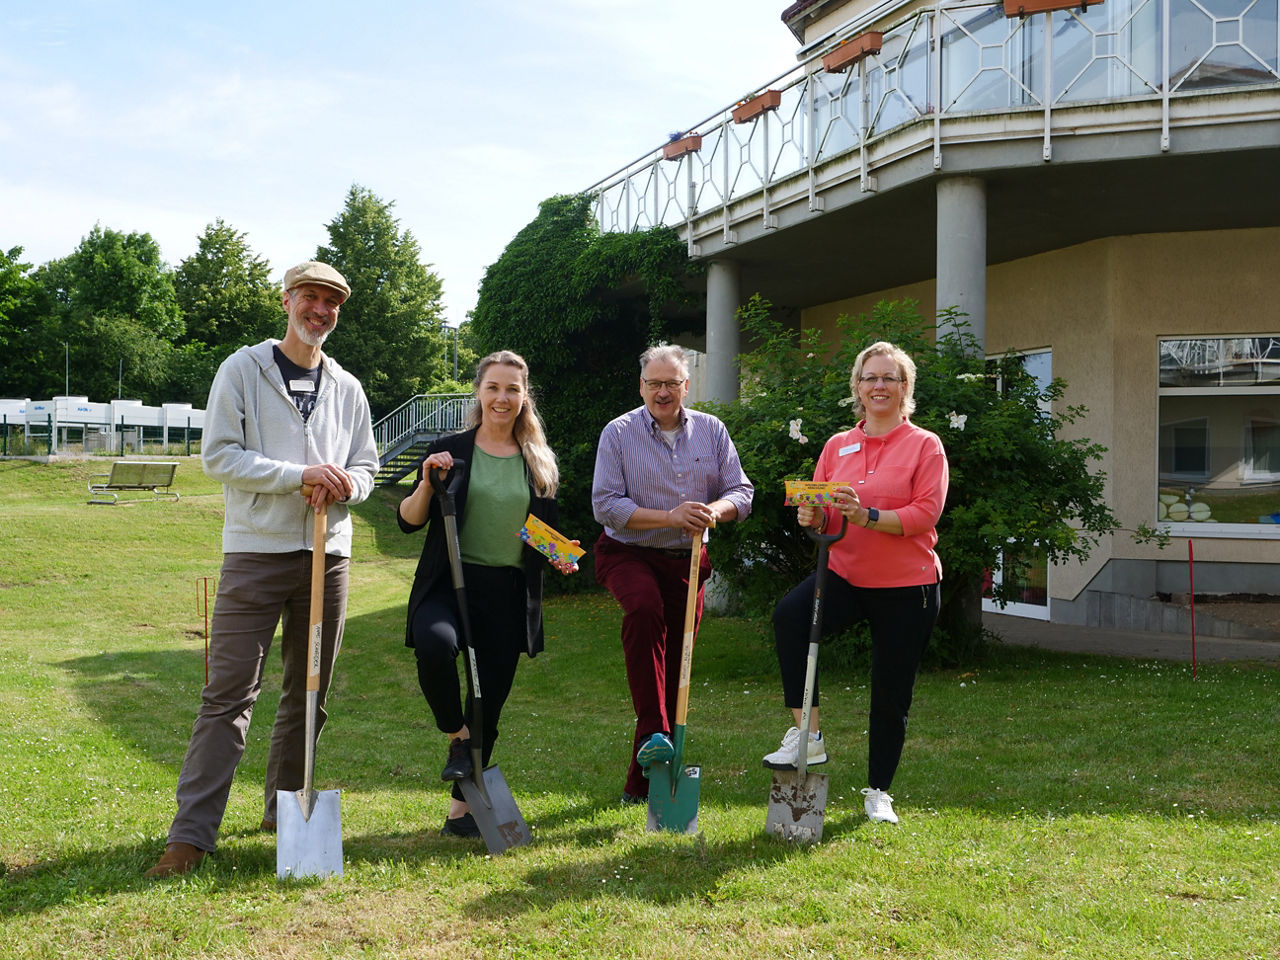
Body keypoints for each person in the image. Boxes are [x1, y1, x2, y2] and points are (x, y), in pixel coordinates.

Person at [146, 261, 378, 878]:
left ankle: (287, 810)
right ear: (287, 301)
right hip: (255, 551)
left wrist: (343, 484)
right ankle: (191, 837)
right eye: (310, 297)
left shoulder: (348, 387)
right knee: (227, 695)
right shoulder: (242, 370)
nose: (320, 310)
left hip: (328, 557)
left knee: (311, 691)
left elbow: (366, 468)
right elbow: (219, 456)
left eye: (331, 302)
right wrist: (297, 476)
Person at [763, 340, 948, 825]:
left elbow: (925, 513)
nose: (880, 385)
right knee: (789, 617)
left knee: (890, 690)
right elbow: (825, 515)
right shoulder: (836, 445)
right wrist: (813, 516)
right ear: (858, 388)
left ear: (905, 388)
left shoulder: (925, 445)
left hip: (907, 585)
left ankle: (878, 792)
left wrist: (865, 514)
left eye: (890, 377)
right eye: (871, 377)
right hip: (845, 575)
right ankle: (809, 736)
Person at [397, 350, 577, 839]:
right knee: (434, 645)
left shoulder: (537, 460)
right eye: (493, 387)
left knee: (489, 703)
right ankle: (457, 737)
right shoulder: (449, 449)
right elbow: (409, 521)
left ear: (524, 397)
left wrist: (562, 556)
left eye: (512, 389)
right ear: (479, 392)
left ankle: (461, 813)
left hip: (507, 591)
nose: (502, 398)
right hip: (448, 582)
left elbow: (542, 535)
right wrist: (428, 485)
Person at [592, 344, 754, 804]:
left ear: (687, 386)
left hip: (687, 560)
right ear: (640, 386)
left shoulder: (712, 431)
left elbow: (741, 491)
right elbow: (606, 505)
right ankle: (657, 733)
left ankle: (642, 785)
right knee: (644, 610)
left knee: (673, 669)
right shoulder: (618, 433)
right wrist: (671, 515)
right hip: (628, 553)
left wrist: (713, 513)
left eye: (671, 383)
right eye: (653, 383)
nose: (662, 392)